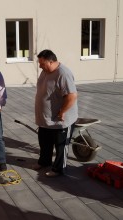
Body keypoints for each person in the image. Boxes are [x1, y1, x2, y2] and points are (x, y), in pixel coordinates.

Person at [34, 49, 78, 177]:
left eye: (42, 63)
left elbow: (72, 96)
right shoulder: (45, 71)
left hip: (60, 120)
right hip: (45, 119)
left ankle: (58, 169)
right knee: (44, 143)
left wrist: (62, 111)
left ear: (51, 61)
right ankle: (44, 162)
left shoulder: (63, 74)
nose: (40, 66)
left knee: (60, 147)